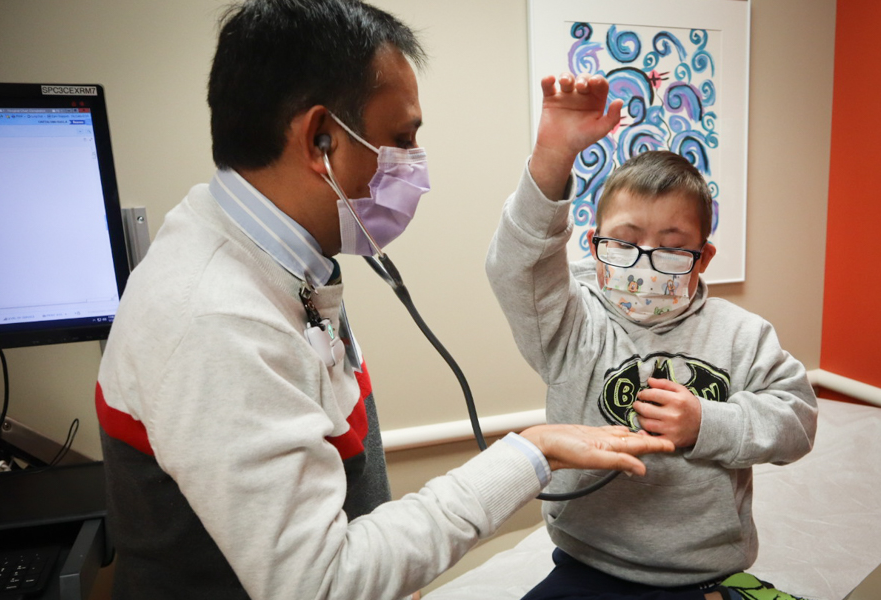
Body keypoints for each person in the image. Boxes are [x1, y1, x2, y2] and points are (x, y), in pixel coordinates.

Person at [94, 2, 675, 599]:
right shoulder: (215, 319)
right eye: (401, 139)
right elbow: (321, 585)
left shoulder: (274, 256)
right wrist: (527, 456)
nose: (415, 166)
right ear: (320, 139)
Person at [486, 73, 818, 600]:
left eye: (670, 246)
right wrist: (552, 157)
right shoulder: (572, 325)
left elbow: (797, 422)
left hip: (703, 573)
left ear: (702, 258)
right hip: (586, 563)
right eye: (625, 242)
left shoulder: (742, 335)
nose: (644, 264)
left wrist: (707, 423)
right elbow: (516, 267)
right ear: (595, 248)